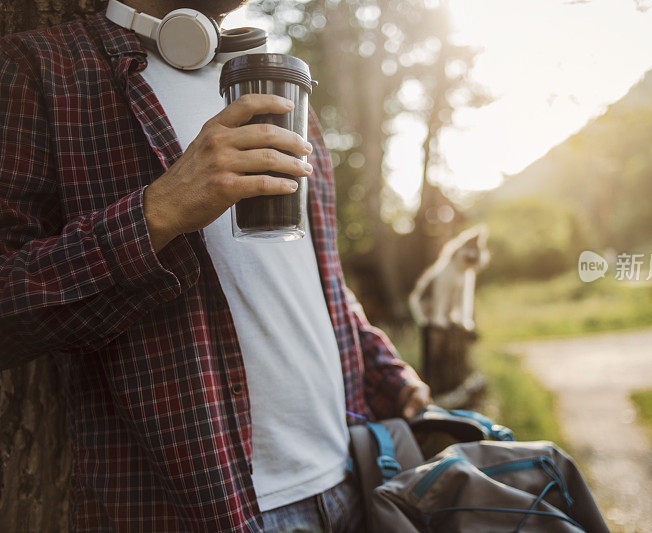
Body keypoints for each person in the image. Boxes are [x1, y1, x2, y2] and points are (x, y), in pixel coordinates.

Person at [0, 0, 431, 530]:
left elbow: (316, 276)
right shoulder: (45, 68)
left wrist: (386, 371)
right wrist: (158, 211)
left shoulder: (279, 83)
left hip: (352, 478)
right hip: (207, 507)